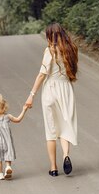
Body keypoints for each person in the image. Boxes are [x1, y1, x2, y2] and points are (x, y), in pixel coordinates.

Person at [25, 23, 78, 177]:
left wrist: (32, 95)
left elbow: (42, 74)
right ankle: (65, 155)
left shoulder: (50, 51)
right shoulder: (71, 49)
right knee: (65, 127)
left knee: (51, 131)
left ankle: (53, 168)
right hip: (66, 90)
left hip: (50, 91)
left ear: (50, 36)